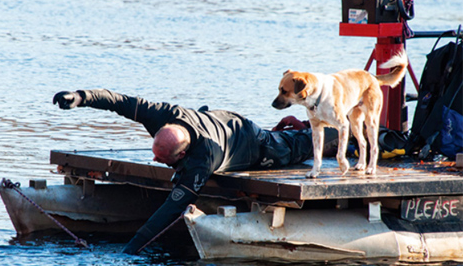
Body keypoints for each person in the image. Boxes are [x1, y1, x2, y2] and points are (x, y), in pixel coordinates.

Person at [53, 89, 336, 254]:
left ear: (184, 155)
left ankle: (351, 133)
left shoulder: (202, 161)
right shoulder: (163, 114)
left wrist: (130, 251)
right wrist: (80, 97)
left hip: (251, 144)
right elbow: (119, 102)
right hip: (217, 121)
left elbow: (171, 209)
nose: (155, 160)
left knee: (300, 146)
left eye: (162, 159)